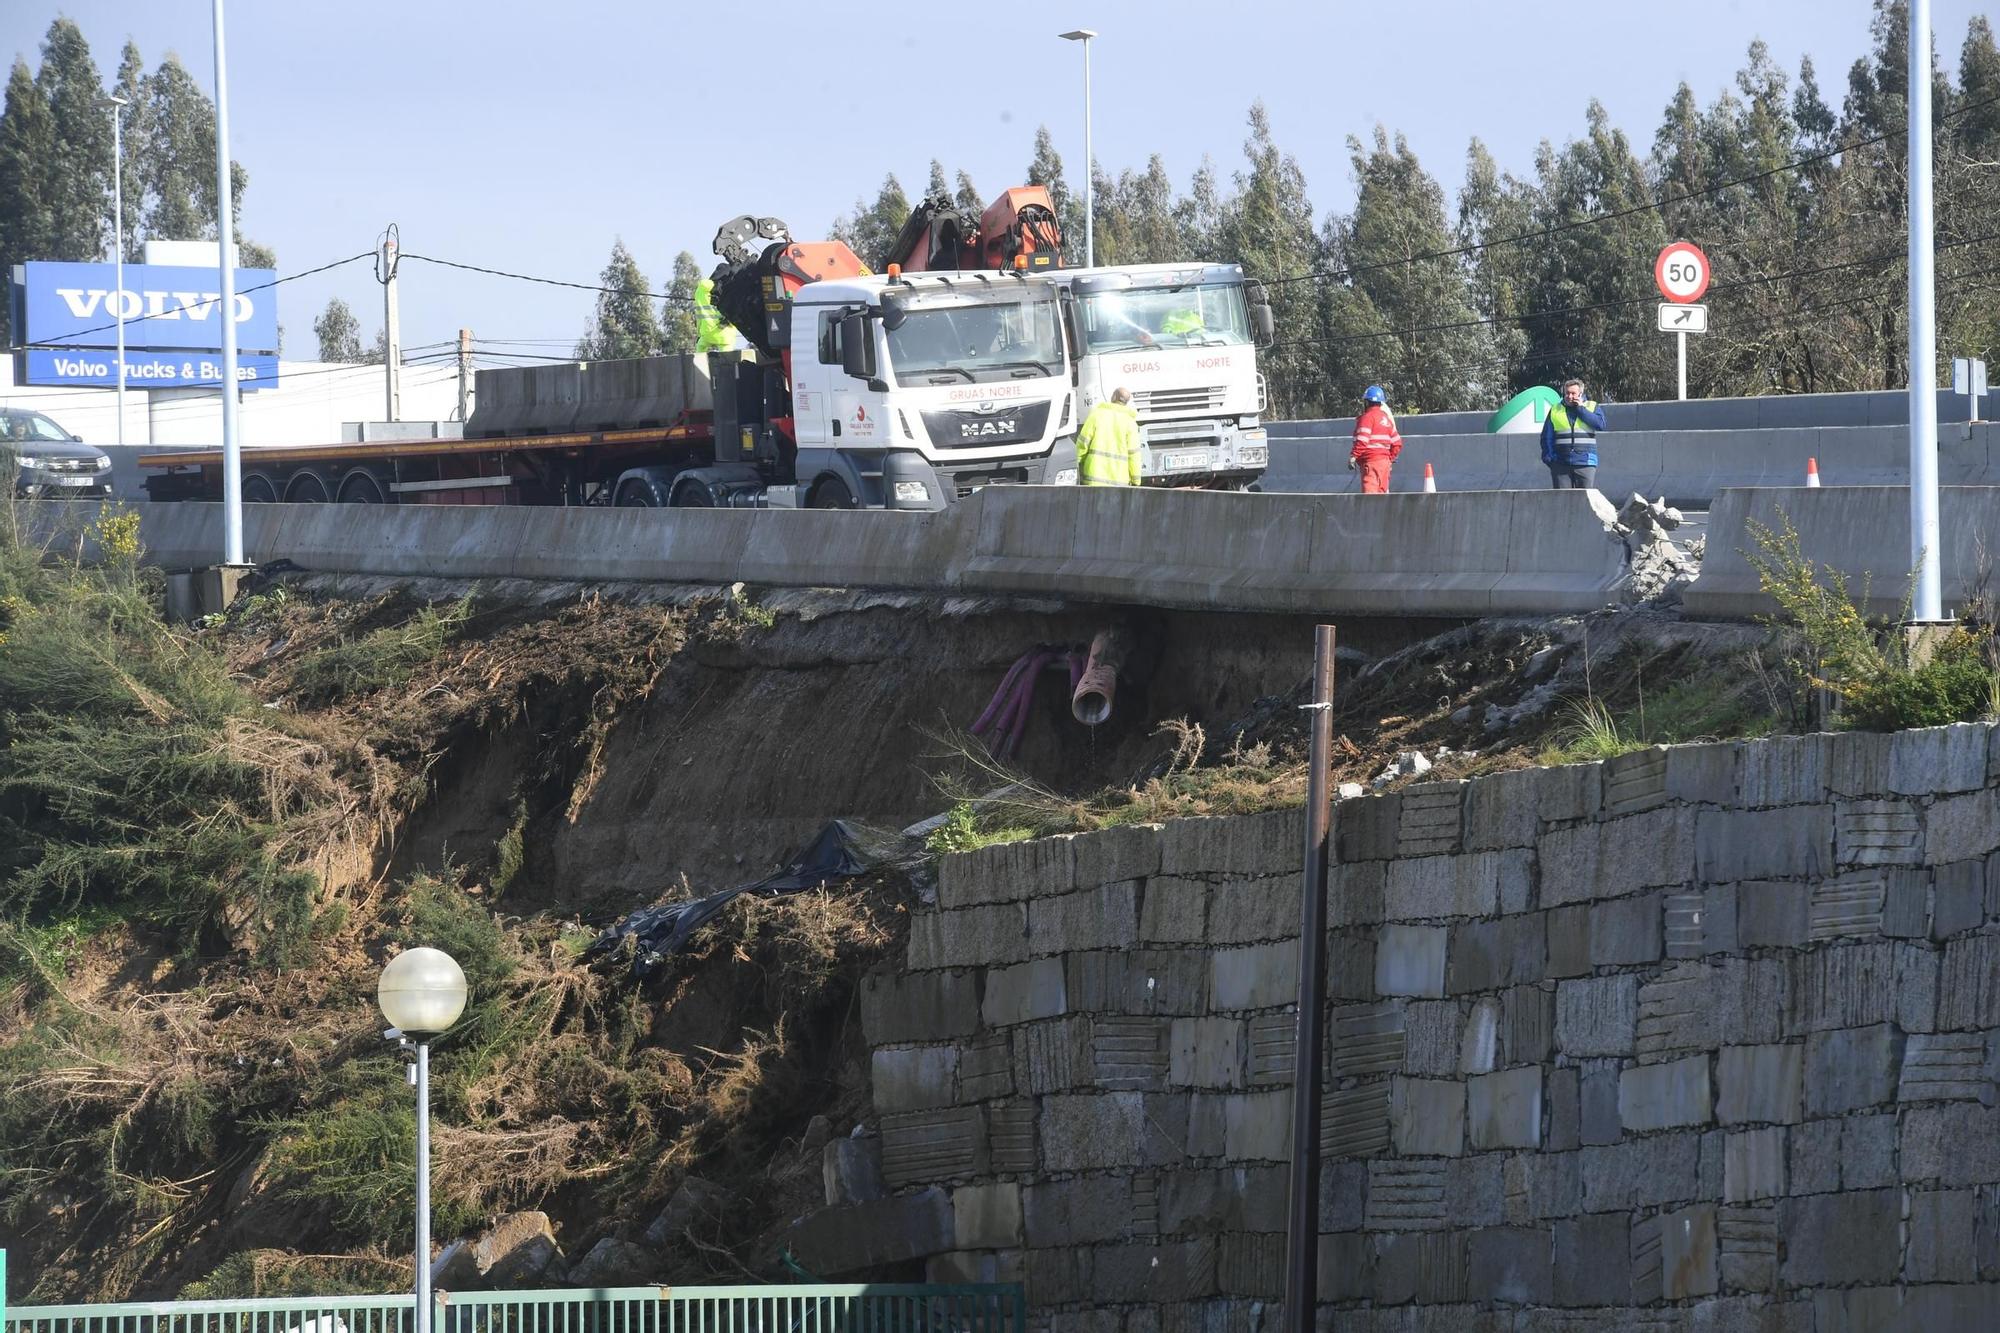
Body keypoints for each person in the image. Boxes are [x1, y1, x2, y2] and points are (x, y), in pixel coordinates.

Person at [1541, 378, 1607, 488]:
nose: (1569, 396)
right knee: (1562, 500)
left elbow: (1600, 425)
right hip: (1561, 464)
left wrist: (1581, 409)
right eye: (1567, 393)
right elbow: (1546, 437)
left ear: (1580, 394)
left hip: (1585, 462)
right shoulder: (1555, 409)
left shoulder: (1592, 406)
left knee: (1584, 500)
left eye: (1573, 393)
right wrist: (1550, 459)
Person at [1075, 386, 1143, 487]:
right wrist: (1136, 480)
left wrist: (1076, 463)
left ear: (1113, 397)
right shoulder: (1130, 423)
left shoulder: (1096, 415)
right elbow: (1134, 455)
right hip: (1119, 483)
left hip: (1094, 480)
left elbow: (1082, 444)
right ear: (1126, 402)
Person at [1349, 385, 1402, 494]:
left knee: (1370, 500)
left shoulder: (1367, 418)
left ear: (1367, 402)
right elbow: (1397, 443)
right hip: (1385, 465)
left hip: (1371, 464)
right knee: (1381, 499)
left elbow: (1362, 440)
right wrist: (1389, 459)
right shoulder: (1386, 419)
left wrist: (1353, 456)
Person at [694, 277, 737, 353]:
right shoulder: (730, 288)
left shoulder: (699, 291)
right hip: (725, 334)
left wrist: (699, 334)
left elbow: (699, 316)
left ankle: (699, 363)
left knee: (700, 349)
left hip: (706, 333)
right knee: (728, 360)